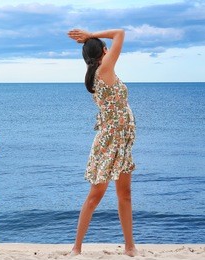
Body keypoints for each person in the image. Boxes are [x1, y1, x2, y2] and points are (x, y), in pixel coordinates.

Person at [67, 28, 138, 257]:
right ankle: (76, 247)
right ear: (104, 53)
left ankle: (129, 247)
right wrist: (89, 34)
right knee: (96, 195)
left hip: (121, 143)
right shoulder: (104, 69)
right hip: (110, 143)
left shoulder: (98, 72)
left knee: (124, 193)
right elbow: (120, 33)